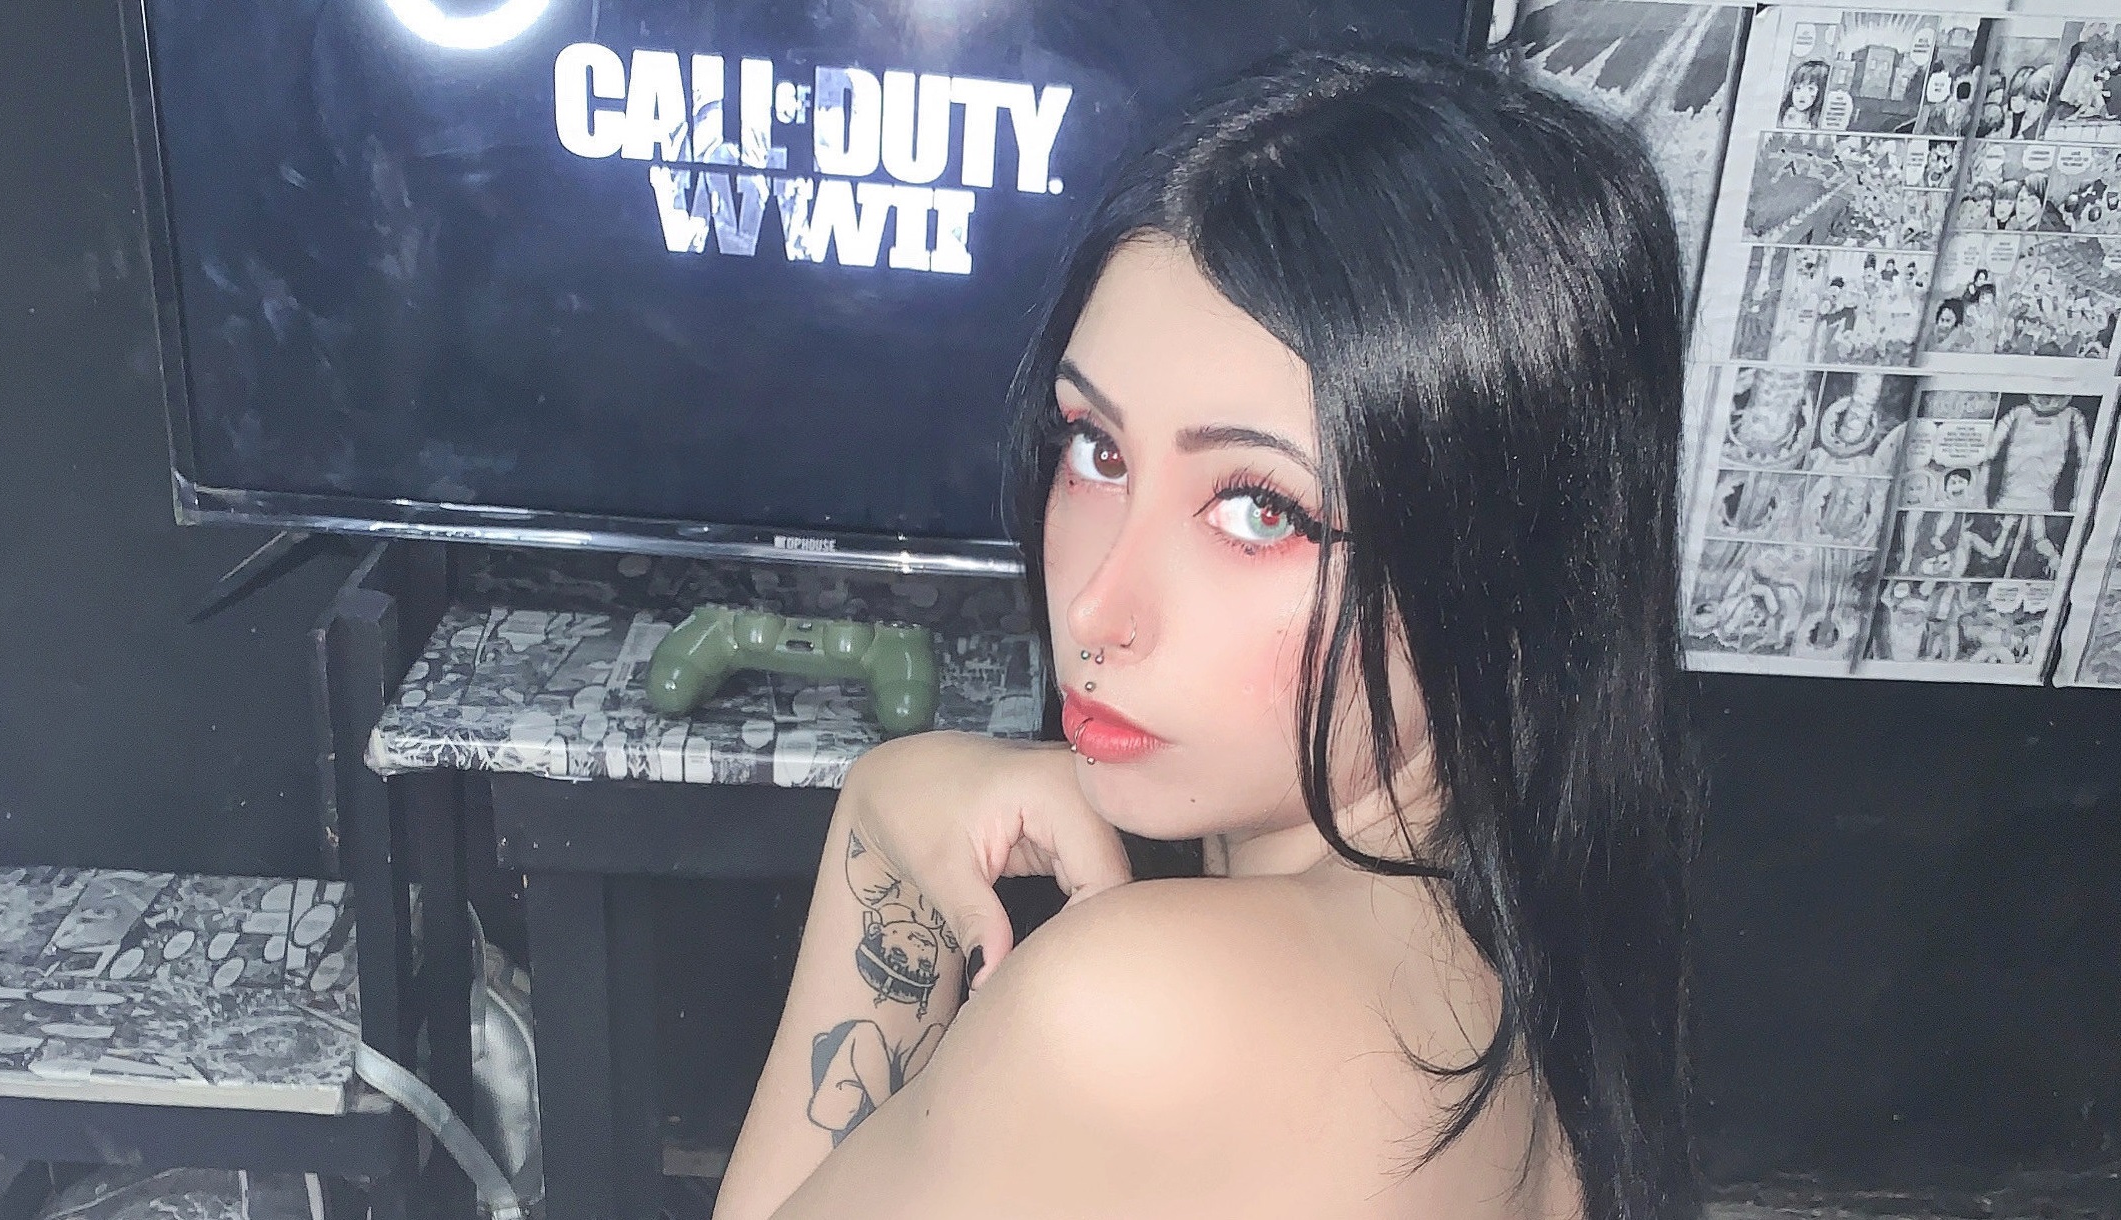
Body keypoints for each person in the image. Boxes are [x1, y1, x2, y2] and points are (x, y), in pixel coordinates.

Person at [712, 46, 1698, 1220]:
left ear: (1507, 566)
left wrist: (878, 816)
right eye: (1096, 449)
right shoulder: (1511, 955)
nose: (1095, 608)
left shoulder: (1137, 1011)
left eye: (1259, 510)